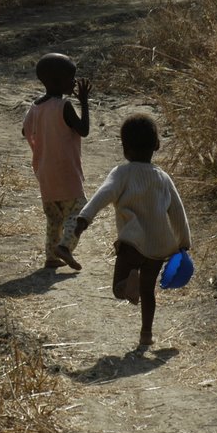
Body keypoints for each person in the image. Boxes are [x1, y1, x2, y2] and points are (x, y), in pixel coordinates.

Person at [74, 114, 192, 347]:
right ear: (157, 145)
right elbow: (177, 212)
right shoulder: (163, 177)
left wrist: (84, 219)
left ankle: (128, 282)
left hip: (131, 243)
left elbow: (101, 196)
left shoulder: (121, 173)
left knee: (119, 288)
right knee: (148, 292)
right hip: (158, 247)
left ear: (125, 149)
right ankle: (146, 335)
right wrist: (184, 242)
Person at [22, 53, 91, 270]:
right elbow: (84, 131)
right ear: (55, 81)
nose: (73, 82)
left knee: (54, 218)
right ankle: (65, 247)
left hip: (45, 172)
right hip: (66, 171)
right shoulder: (64, 106)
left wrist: (42, 145)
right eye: (70, 78)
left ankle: (51, 257)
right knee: (79, 210)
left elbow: (25, 130)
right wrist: (85, 103)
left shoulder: (35, 106)